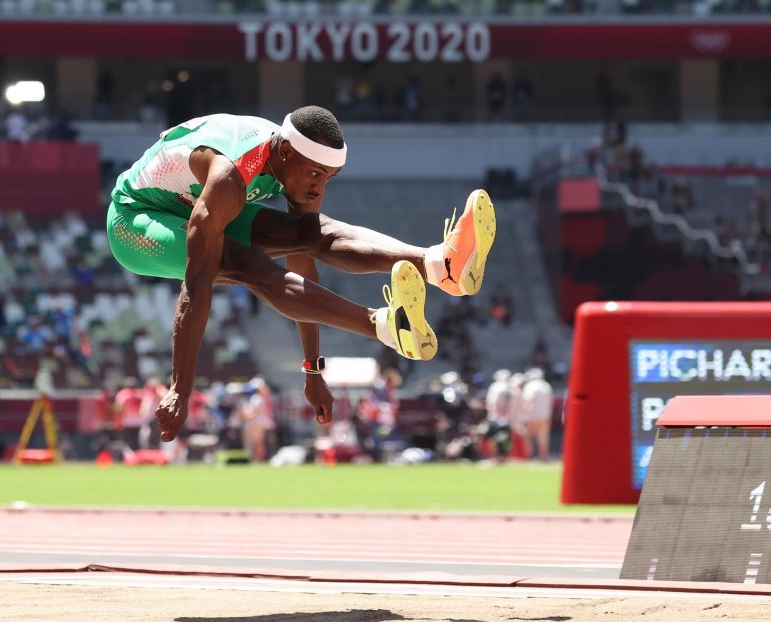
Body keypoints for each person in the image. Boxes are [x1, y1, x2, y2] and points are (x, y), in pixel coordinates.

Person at [107, 106, 496, 443]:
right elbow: (196, 286)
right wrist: (180, 388)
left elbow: (302, 260)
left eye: (329, 177)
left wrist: (313, 370)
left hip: (189, 200)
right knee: (247, 265)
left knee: (314, 232)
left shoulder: (287, 157)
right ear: (287, 152)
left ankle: (439, 264)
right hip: (135, 219)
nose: (317, 188)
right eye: (314, 174)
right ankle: (383, 325)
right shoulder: (228, 176)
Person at [521, 368, 554, 461]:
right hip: (545, 416)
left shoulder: (530, 386)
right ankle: (543, 457)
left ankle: (528, 456)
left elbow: (528, 401)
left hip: (532, 416)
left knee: (528, 437)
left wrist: (525, 416)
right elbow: (551, 402)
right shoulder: (546, 386)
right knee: (543, 438)